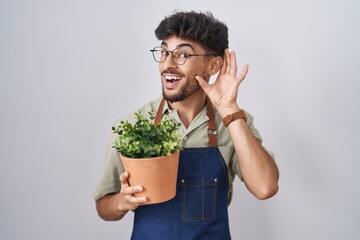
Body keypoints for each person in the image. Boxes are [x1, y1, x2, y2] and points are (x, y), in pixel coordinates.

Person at [93, 10, 279, 239]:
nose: (167, 64)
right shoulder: (132, 125)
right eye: (163, 52)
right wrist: (122, 201)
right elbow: (104, 207)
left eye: (182, 55)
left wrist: (229, 109)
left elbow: (265, 188)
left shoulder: (232, 122)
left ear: (213, 66)